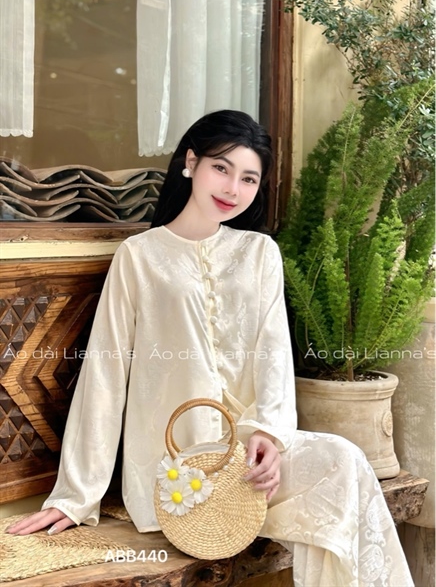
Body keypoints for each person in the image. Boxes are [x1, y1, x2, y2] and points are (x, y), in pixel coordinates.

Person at [7, 110, 413, 586]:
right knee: (338, 495)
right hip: (178, 464)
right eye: (221, 168)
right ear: (190, 163)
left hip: (250, 455)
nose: (232, 189)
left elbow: (273, 352)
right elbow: (105, 373)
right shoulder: (139, 256)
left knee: (344, 463)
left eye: (248, 178)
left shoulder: (260, 253)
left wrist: (271, 435)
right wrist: (75, 496)